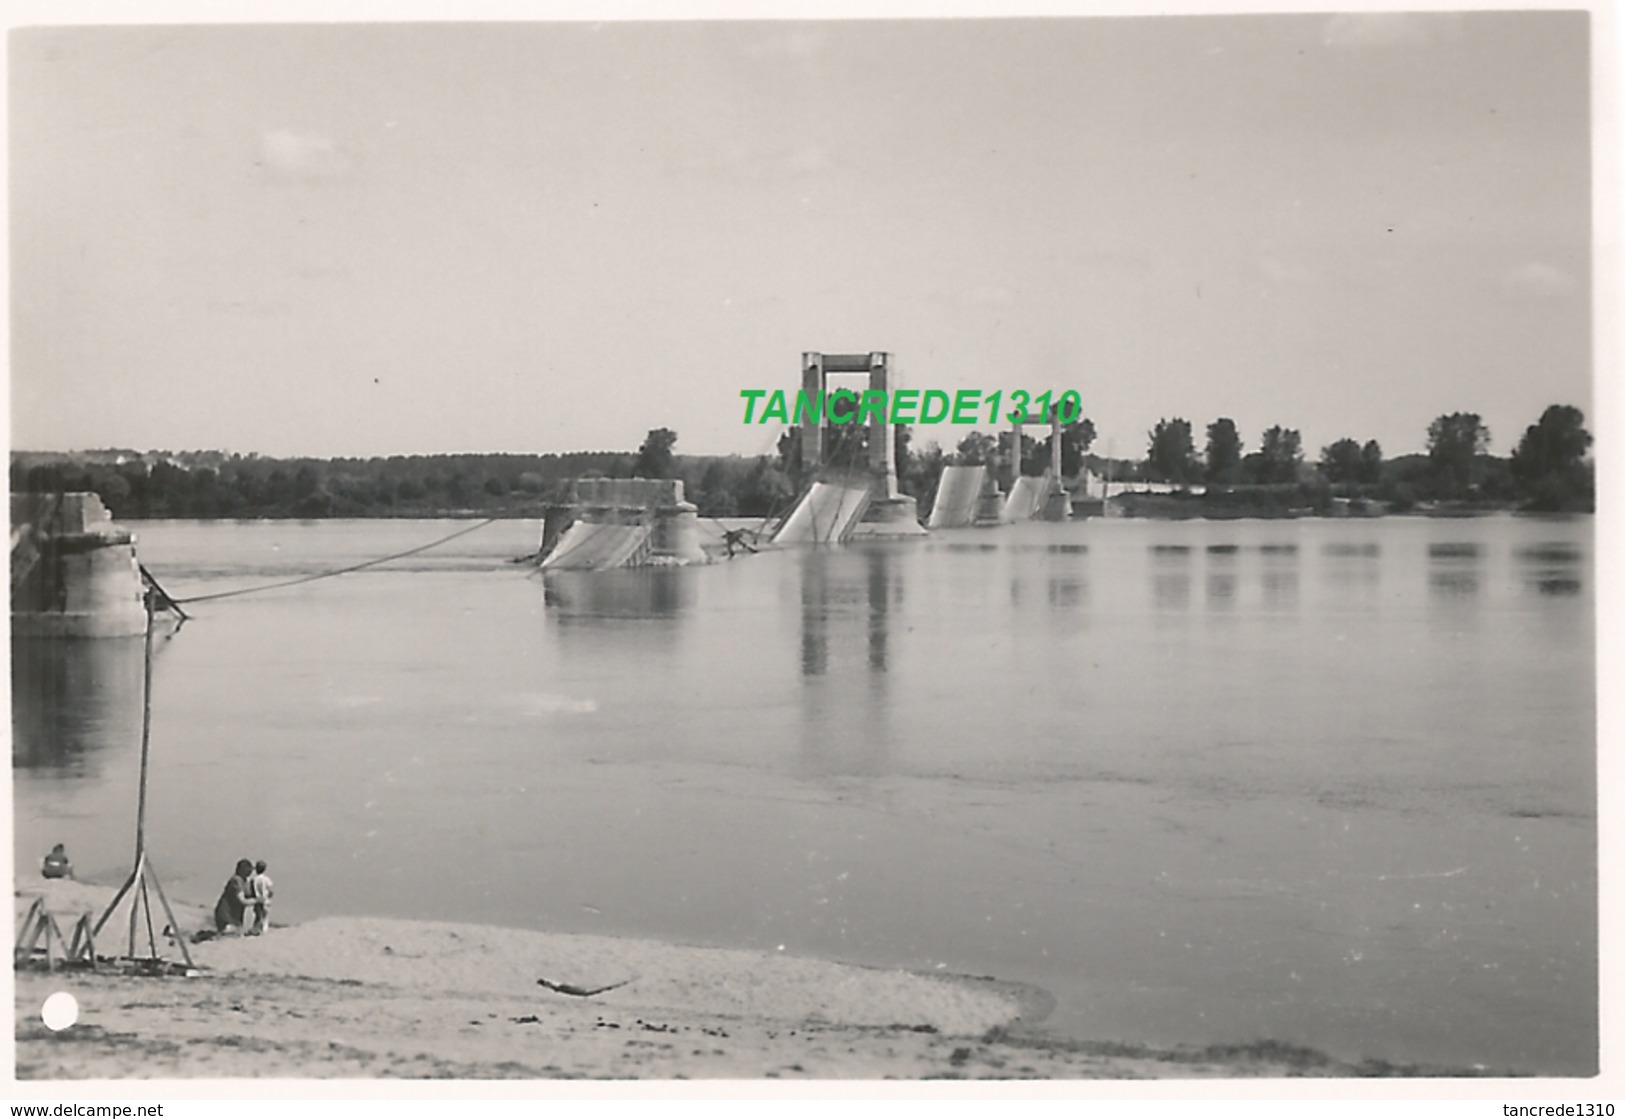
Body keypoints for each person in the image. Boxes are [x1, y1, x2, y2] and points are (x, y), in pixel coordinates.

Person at [213, 859, 254, 935]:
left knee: (237, 932)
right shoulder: (236, 880)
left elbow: (248, 894)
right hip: (226, 915)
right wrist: (258, 901)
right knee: (231, 933)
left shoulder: (244, 880)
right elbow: (242, 900)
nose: (250, 872)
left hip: (235, 916)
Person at [246, 860, 274, 936]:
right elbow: (270, 890)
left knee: (258, 916)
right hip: (265, 900)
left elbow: (251, 891)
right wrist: (269, 897)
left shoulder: (253, 880)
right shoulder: (266, 879)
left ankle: (256, 930)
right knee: (265, 917)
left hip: (257, 900)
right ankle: (263, 932)